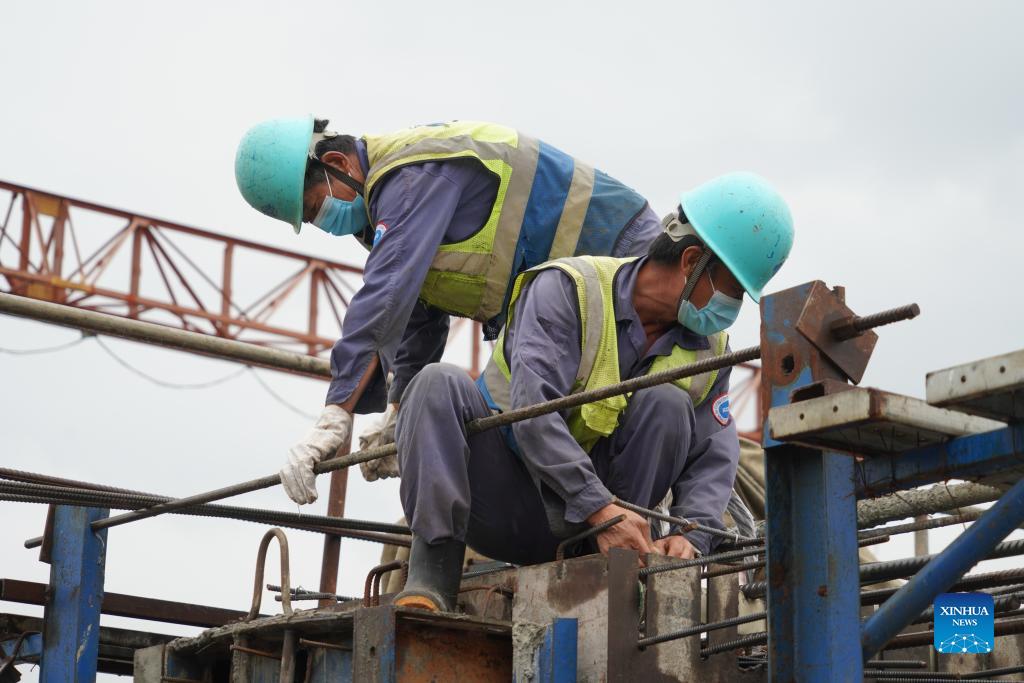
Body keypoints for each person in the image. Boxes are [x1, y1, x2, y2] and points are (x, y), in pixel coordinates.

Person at [391, 172, 795, 611]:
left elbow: (714, 456)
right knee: (435, 383)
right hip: (505, 496)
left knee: (668, 402)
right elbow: (533, 411)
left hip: (598, 535)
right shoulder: (569, 290)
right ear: (690, 259)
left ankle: (618, 570)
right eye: (732, 291)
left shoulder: (711, 351)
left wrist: (689, 533)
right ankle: (432, 574)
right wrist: (599, 508)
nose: (730, 310)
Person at [234, 118, 664, 503]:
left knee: (601, 418)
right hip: (569, 291)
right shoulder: (383, 207)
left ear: (337, 163)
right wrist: (398, 411)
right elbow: (422, 313)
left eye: (314, 209)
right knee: (524, 419)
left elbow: (385, 294)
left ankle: (658, 527)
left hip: (621, 253)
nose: (323, 224)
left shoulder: (408, 179)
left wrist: (335, 414)